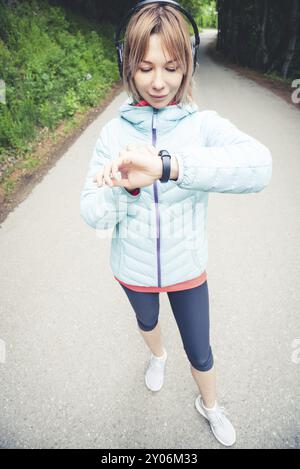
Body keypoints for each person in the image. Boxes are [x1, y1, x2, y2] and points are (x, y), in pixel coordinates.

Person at [80, 2, 272, 448]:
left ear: (188, 63)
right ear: (127, 64)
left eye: (171, 66)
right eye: (145, 67)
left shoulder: (203, 126)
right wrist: (124, 190)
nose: (159, 81)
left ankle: (210, 406)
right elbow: (92, 213)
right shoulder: (112, 136)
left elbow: (259, 167)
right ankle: (158, 357)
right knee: (147, 322)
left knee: (201, 350)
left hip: (188, 269)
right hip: (133, 269)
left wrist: (168, 166)